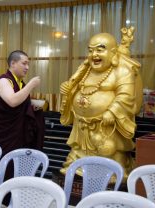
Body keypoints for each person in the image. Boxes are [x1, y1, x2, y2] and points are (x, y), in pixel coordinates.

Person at [59, 27, 143, 177]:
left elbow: (126, 95)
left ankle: (111, 172)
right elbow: (75, 87)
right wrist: (69, 91)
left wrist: (112, 111)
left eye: (100, 50)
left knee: (109, 156)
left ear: (113, 53)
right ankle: (79, 167)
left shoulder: (122, 71)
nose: (94, 55)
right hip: (82, 128)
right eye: (90, 51)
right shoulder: (85, 70)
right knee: (74, 162)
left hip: (107, 128)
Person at [0, 50, 45, 202]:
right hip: (3, 134)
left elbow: (20, 104)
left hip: (17, 133)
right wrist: (31, 85)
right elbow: (12, 101)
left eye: (28, 64)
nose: (27, 67)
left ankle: (14, 199)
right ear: (13, 63)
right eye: (24, 63)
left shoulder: (19, 83)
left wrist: (32, 106)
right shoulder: (3, 81)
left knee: (15, 167)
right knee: (3, 167)